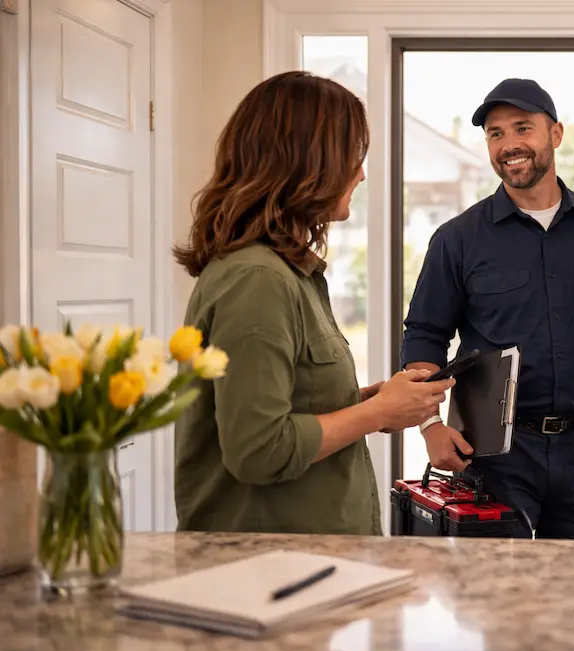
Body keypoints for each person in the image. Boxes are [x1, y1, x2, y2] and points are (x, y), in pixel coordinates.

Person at [172, 72, 454, 535]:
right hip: (273, 571)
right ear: (307, 162)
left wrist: (371, 402)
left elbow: (291, 405)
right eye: (353, 156)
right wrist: (376, 413)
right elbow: (259, 450)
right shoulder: (257, 280)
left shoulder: (287, 273)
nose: (361, 173)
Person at [401, 78, 574, 540]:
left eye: (522, 128)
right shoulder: (457, 239)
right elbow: (424, 334)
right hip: (491, 453)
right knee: (493, 597)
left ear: (555, 134)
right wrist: (429, 426)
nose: (509, 145)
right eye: (495, 134)